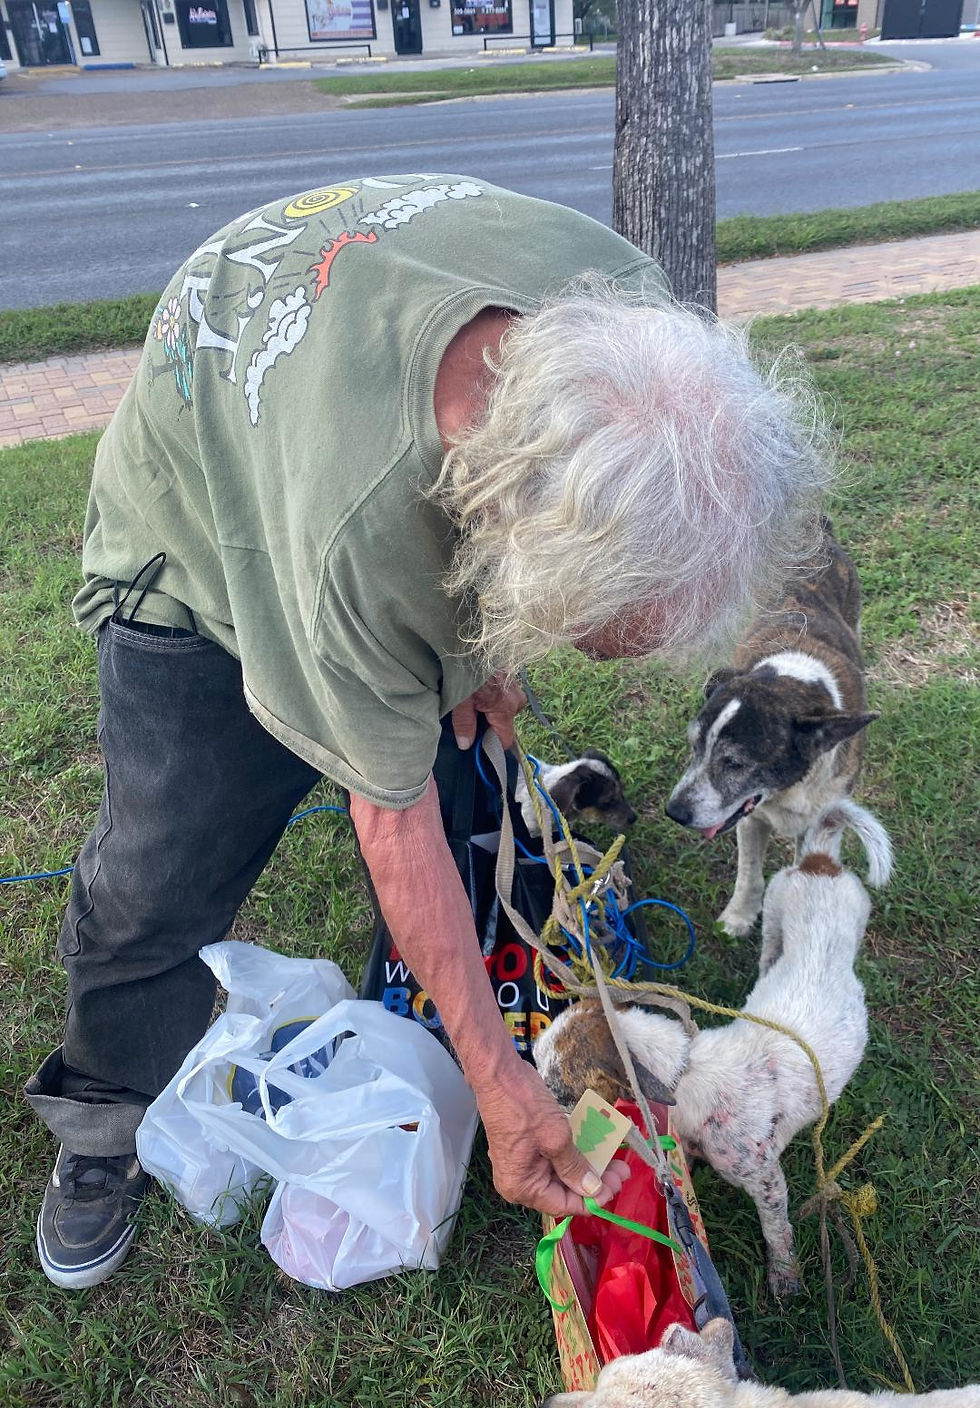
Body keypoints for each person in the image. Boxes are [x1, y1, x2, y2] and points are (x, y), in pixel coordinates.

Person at [26, 173, 830, 1289]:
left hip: (402, 460)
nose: (596, 659)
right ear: (511, 526)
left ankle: (412, 1013)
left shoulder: (639, 333)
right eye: (593, 629)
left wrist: (484, 652)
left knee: (461, 766)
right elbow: (386, 819)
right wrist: (502, 1091)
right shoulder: (354, 543)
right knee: (160, 868)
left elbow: (526, 540)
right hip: (202, 528)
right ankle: (101, 1127)